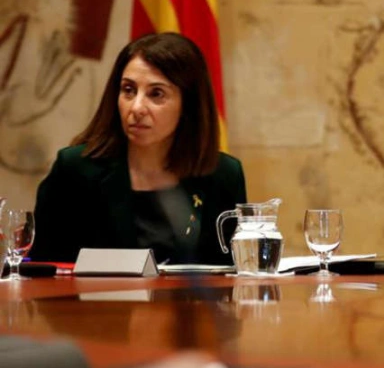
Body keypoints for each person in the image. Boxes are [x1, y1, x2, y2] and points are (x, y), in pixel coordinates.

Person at [28, 32, 246, 264]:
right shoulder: (75, 170)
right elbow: (43, 268)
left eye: (156, 94)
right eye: (129, 90)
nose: (137, 107)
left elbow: (233, 272)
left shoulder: (223, 174)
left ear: (188, 105)